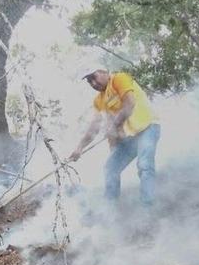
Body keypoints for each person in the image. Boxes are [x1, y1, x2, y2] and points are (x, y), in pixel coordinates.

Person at [69, 69, 161, 205]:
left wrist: (114, 125)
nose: (93, 83)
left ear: (104, 72)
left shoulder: (119, 79)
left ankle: (148, 207)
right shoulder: (99, 100)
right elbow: (94, 127)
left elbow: (130, 103)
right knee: (110, 168)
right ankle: (109, 209)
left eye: (94, 77)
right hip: (130, 138)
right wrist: (79, 148)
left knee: (144, 165)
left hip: (148, 127)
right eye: (89, 81)